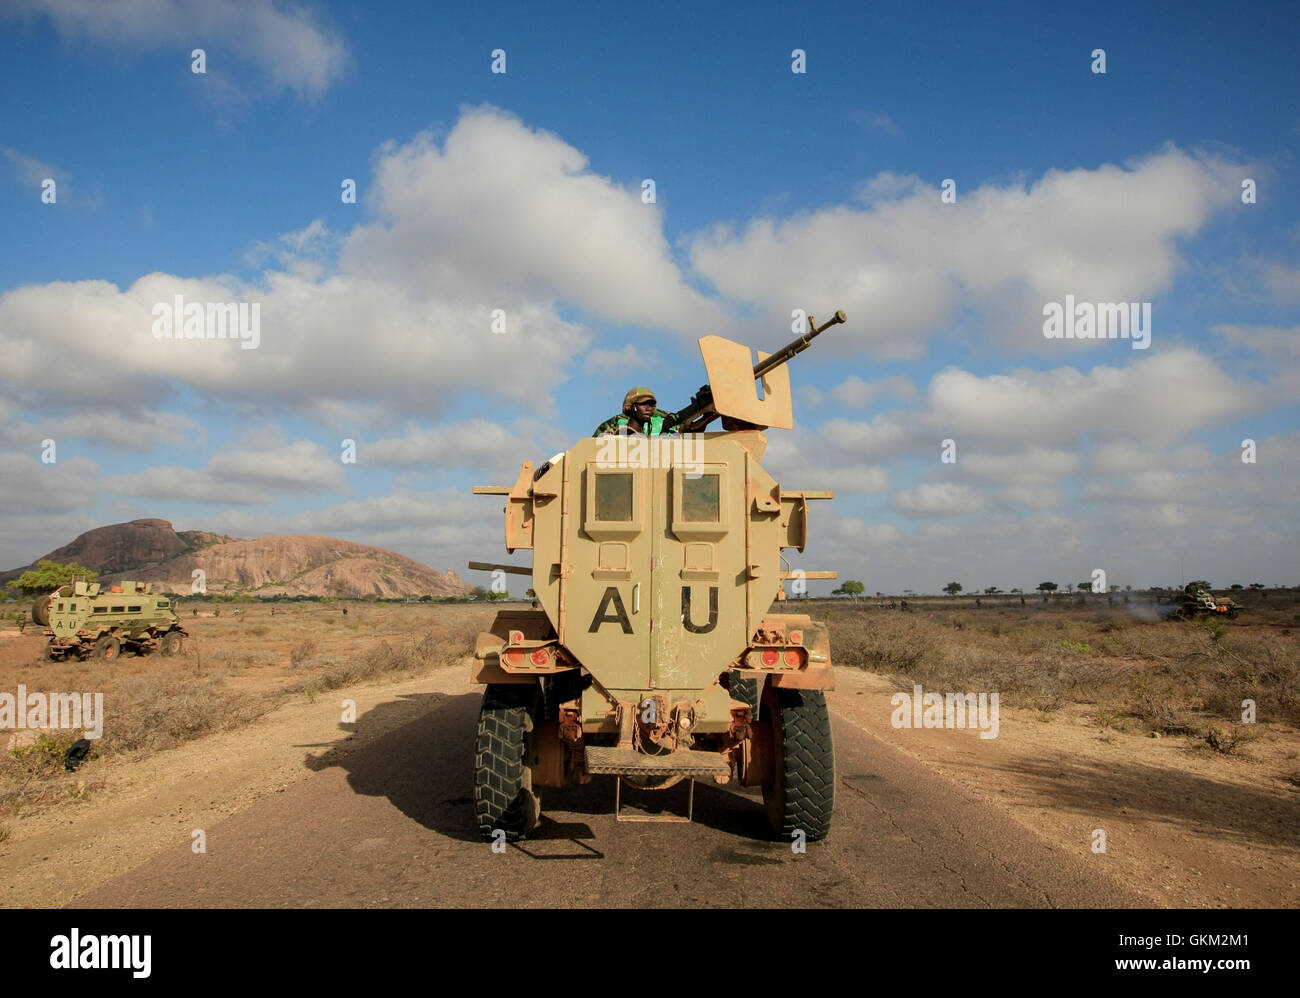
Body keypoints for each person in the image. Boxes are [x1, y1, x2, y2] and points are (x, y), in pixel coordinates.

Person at [594, 387, 679, 436]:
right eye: (643, 404)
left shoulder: (651, 430)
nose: (649, 408)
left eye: (651, 404)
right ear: (632, 406)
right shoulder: (621, 432)